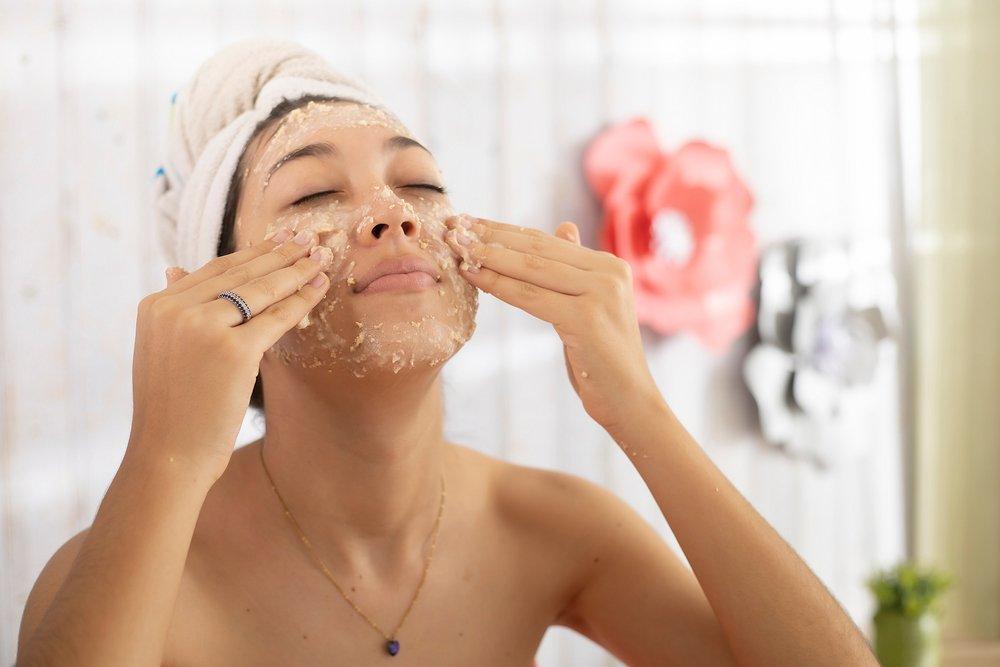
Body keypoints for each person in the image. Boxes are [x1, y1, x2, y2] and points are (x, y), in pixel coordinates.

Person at [15, 39, 876, 666]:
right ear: (219, 290)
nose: (396, 214)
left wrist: (640, 411)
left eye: (420, 184)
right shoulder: (137, 573)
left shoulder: (555, 529)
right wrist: (165, 455)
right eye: (315, 192)